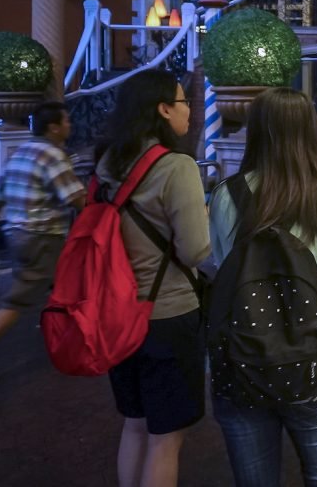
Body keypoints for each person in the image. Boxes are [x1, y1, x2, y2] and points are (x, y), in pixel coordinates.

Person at [209, 87, 317, 487]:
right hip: (316, 356)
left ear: (256, 131)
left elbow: (223, 271)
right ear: (308, 131)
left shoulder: (227, 196)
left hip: (242, 358)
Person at [95, 69, 211, 487]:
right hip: (167, 315)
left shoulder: (107, 161)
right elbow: (194, 250)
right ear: (163, 109)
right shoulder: (175, 166)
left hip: (116, 314)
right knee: (166, 440)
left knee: (135, 425)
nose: (190, 111)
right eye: (183, 102)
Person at [0, 102, 85, 390]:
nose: (70, 126)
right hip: (42, 236)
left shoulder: (23, 151)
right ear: (53, 127)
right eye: (66, 121)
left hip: (15, 232)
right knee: (14, 303)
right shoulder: (53, 155)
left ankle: (69, 337)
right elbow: (76, 198)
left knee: (65, 283)